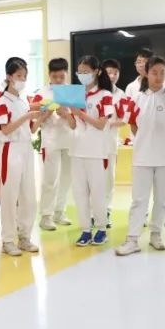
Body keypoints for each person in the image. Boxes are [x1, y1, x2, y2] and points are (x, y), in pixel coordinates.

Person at [116, 56, 165, 256]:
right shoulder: (137, 98)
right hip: (142, 156)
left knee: (162, 199)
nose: (159, 77)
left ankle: (156, 235)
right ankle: (132, 239)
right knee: (139, 199)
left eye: (162, 72)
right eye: (154, 72)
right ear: (146, 73)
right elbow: (133, 124)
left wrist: (164, 138)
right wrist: (145, 139)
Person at [0, 57, 45, 256]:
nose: (22, 80)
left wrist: (42, 116)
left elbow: (30, 129)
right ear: (9, 77)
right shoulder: (2, 102)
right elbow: (5, 129)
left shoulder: (23, 101)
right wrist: (27, 116)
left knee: (28, 196)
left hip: (26, 149)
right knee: (9, 196)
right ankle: (7, 240)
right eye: (18, 76)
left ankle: (24, 236)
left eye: (24, 76)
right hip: (10, 149)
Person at [69, 56, 116, 246]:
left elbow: (101, 124)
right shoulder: (75, 94)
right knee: (79, 193)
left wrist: (80, 113)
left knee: (97, 192)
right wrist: (66, 114)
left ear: (97, 72)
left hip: (97, 151)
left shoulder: (105, 95)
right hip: (77, 150)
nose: (82, 75)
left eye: (86, 72)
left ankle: (101, 228)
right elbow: (73, 124)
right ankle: (85, 230)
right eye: (79, 72)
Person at [38, 57, 75, 231]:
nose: (58, 80)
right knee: (50, 179)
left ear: (67, 74)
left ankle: (60, 211)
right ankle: (46, 215)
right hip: (50, 140)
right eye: (55, 77)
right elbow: (37, 118)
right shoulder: (42, 93)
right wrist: (48, 112)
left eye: (62, 76)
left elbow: (80, 117)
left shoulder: (72, 92)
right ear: (49, 75)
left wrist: (67, 113)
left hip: (70, 138)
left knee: (66, 178)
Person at [101, 59, 129, 230]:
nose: (112, 76)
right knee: (93, 179)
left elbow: (124, 119)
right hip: (92, 143)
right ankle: (93, 213)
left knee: (109, 178)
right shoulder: (95, 92)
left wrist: (108, 124)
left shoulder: (121, 94)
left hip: (110, 142)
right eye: (108, 72)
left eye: (115, 72)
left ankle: (106, 211)